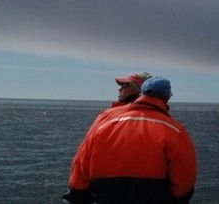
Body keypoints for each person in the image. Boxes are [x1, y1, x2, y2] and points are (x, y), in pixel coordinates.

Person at [63, 77, 197, 204]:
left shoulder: (106, 119)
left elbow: (82, 161)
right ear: (167, 98)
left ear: (143, 93)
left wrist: (76, 195)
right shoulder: (175, 130)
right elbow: (184, 179)